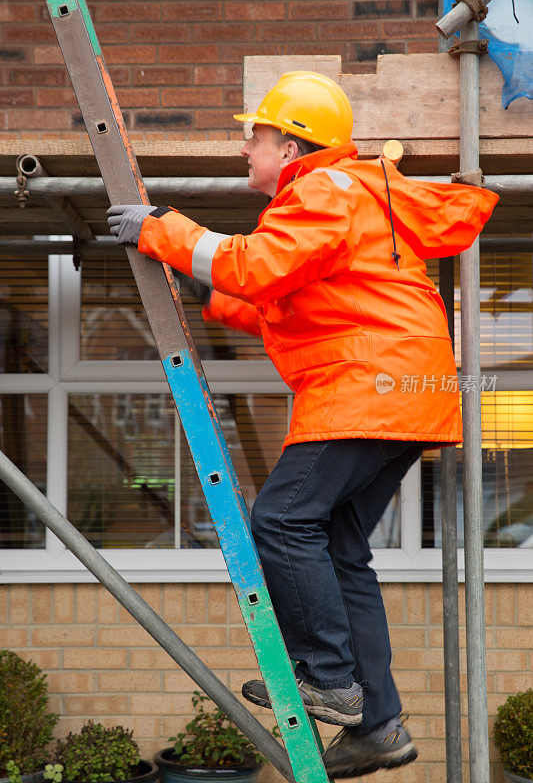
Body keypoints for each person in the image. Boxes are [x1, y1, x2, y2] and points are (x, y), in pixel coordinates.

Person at [107, 70, 499, 778]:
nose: (243, 150)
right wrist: (200, 278)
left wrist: (161, 231)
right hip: (401, 391)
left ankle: (329, 679)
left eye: (252, 136)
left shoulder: (320, 190)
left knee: (284, 522)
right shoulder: (339, 200)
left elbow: (256, 268)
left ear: (289, 146)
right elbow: (279, 295)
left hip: (366, 388)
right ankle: (376, 726)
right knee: (339, 549)